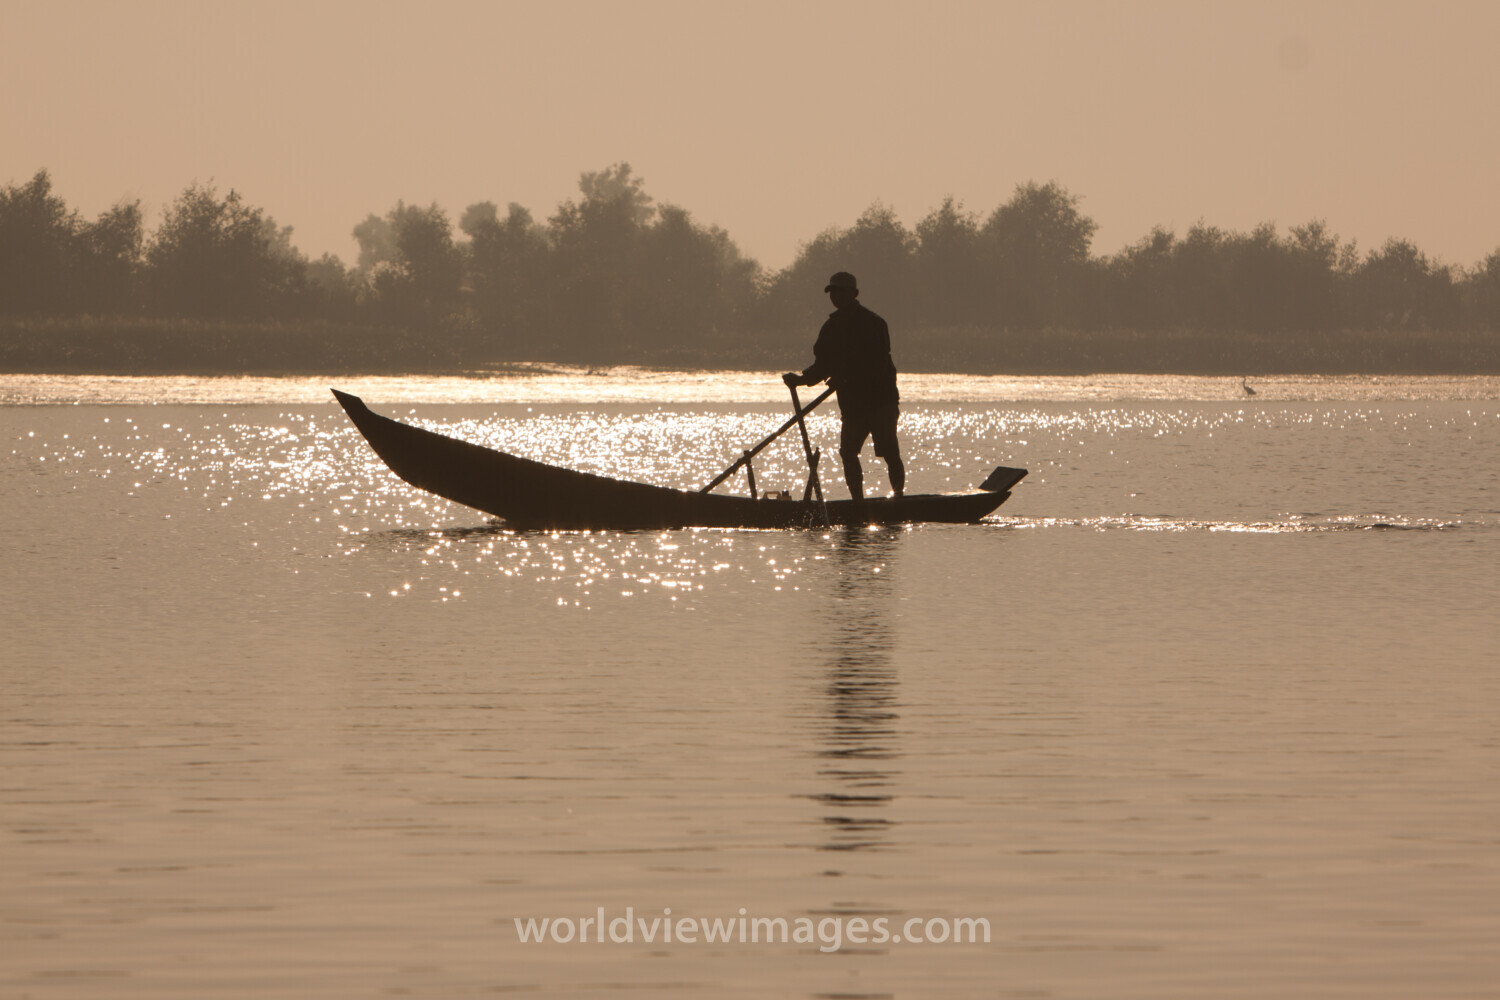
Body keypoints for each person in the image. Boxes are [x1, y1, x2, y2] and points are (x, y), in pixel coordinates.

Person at [783, 271, 905, 500]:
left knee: (889, 451)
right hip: (853, 406)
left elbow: (878, 364)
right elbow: (822, 366)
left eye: (840, 291)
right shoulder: (830, 328)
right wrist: (801, 380)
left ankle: (898, 497)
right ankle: (857, 503)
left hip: (881, 402)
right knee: (848, 453)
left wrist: (847, 378)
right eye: (832, 292)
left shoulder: (875, 324)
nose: (836, 296)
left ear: (854, 294)